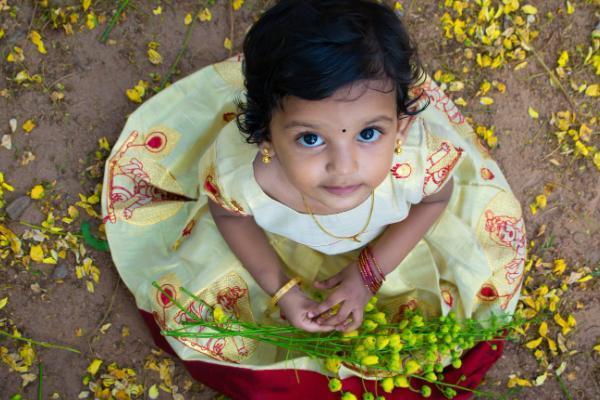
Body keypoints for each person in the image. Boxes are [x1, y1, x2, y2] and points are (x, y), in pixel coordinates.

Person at [101, 0, 526, 398]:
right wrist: (284, 291)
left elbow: (435, 201)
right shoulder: (243, 177)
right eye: (310, 138)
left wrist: (367, 276)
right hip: (278, 250)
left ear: (400, 127)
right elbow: (230, 217)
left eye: (369, 133)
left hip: (390, 244)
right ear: (265, 134)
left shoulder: (414, 164)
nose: (344, 167)